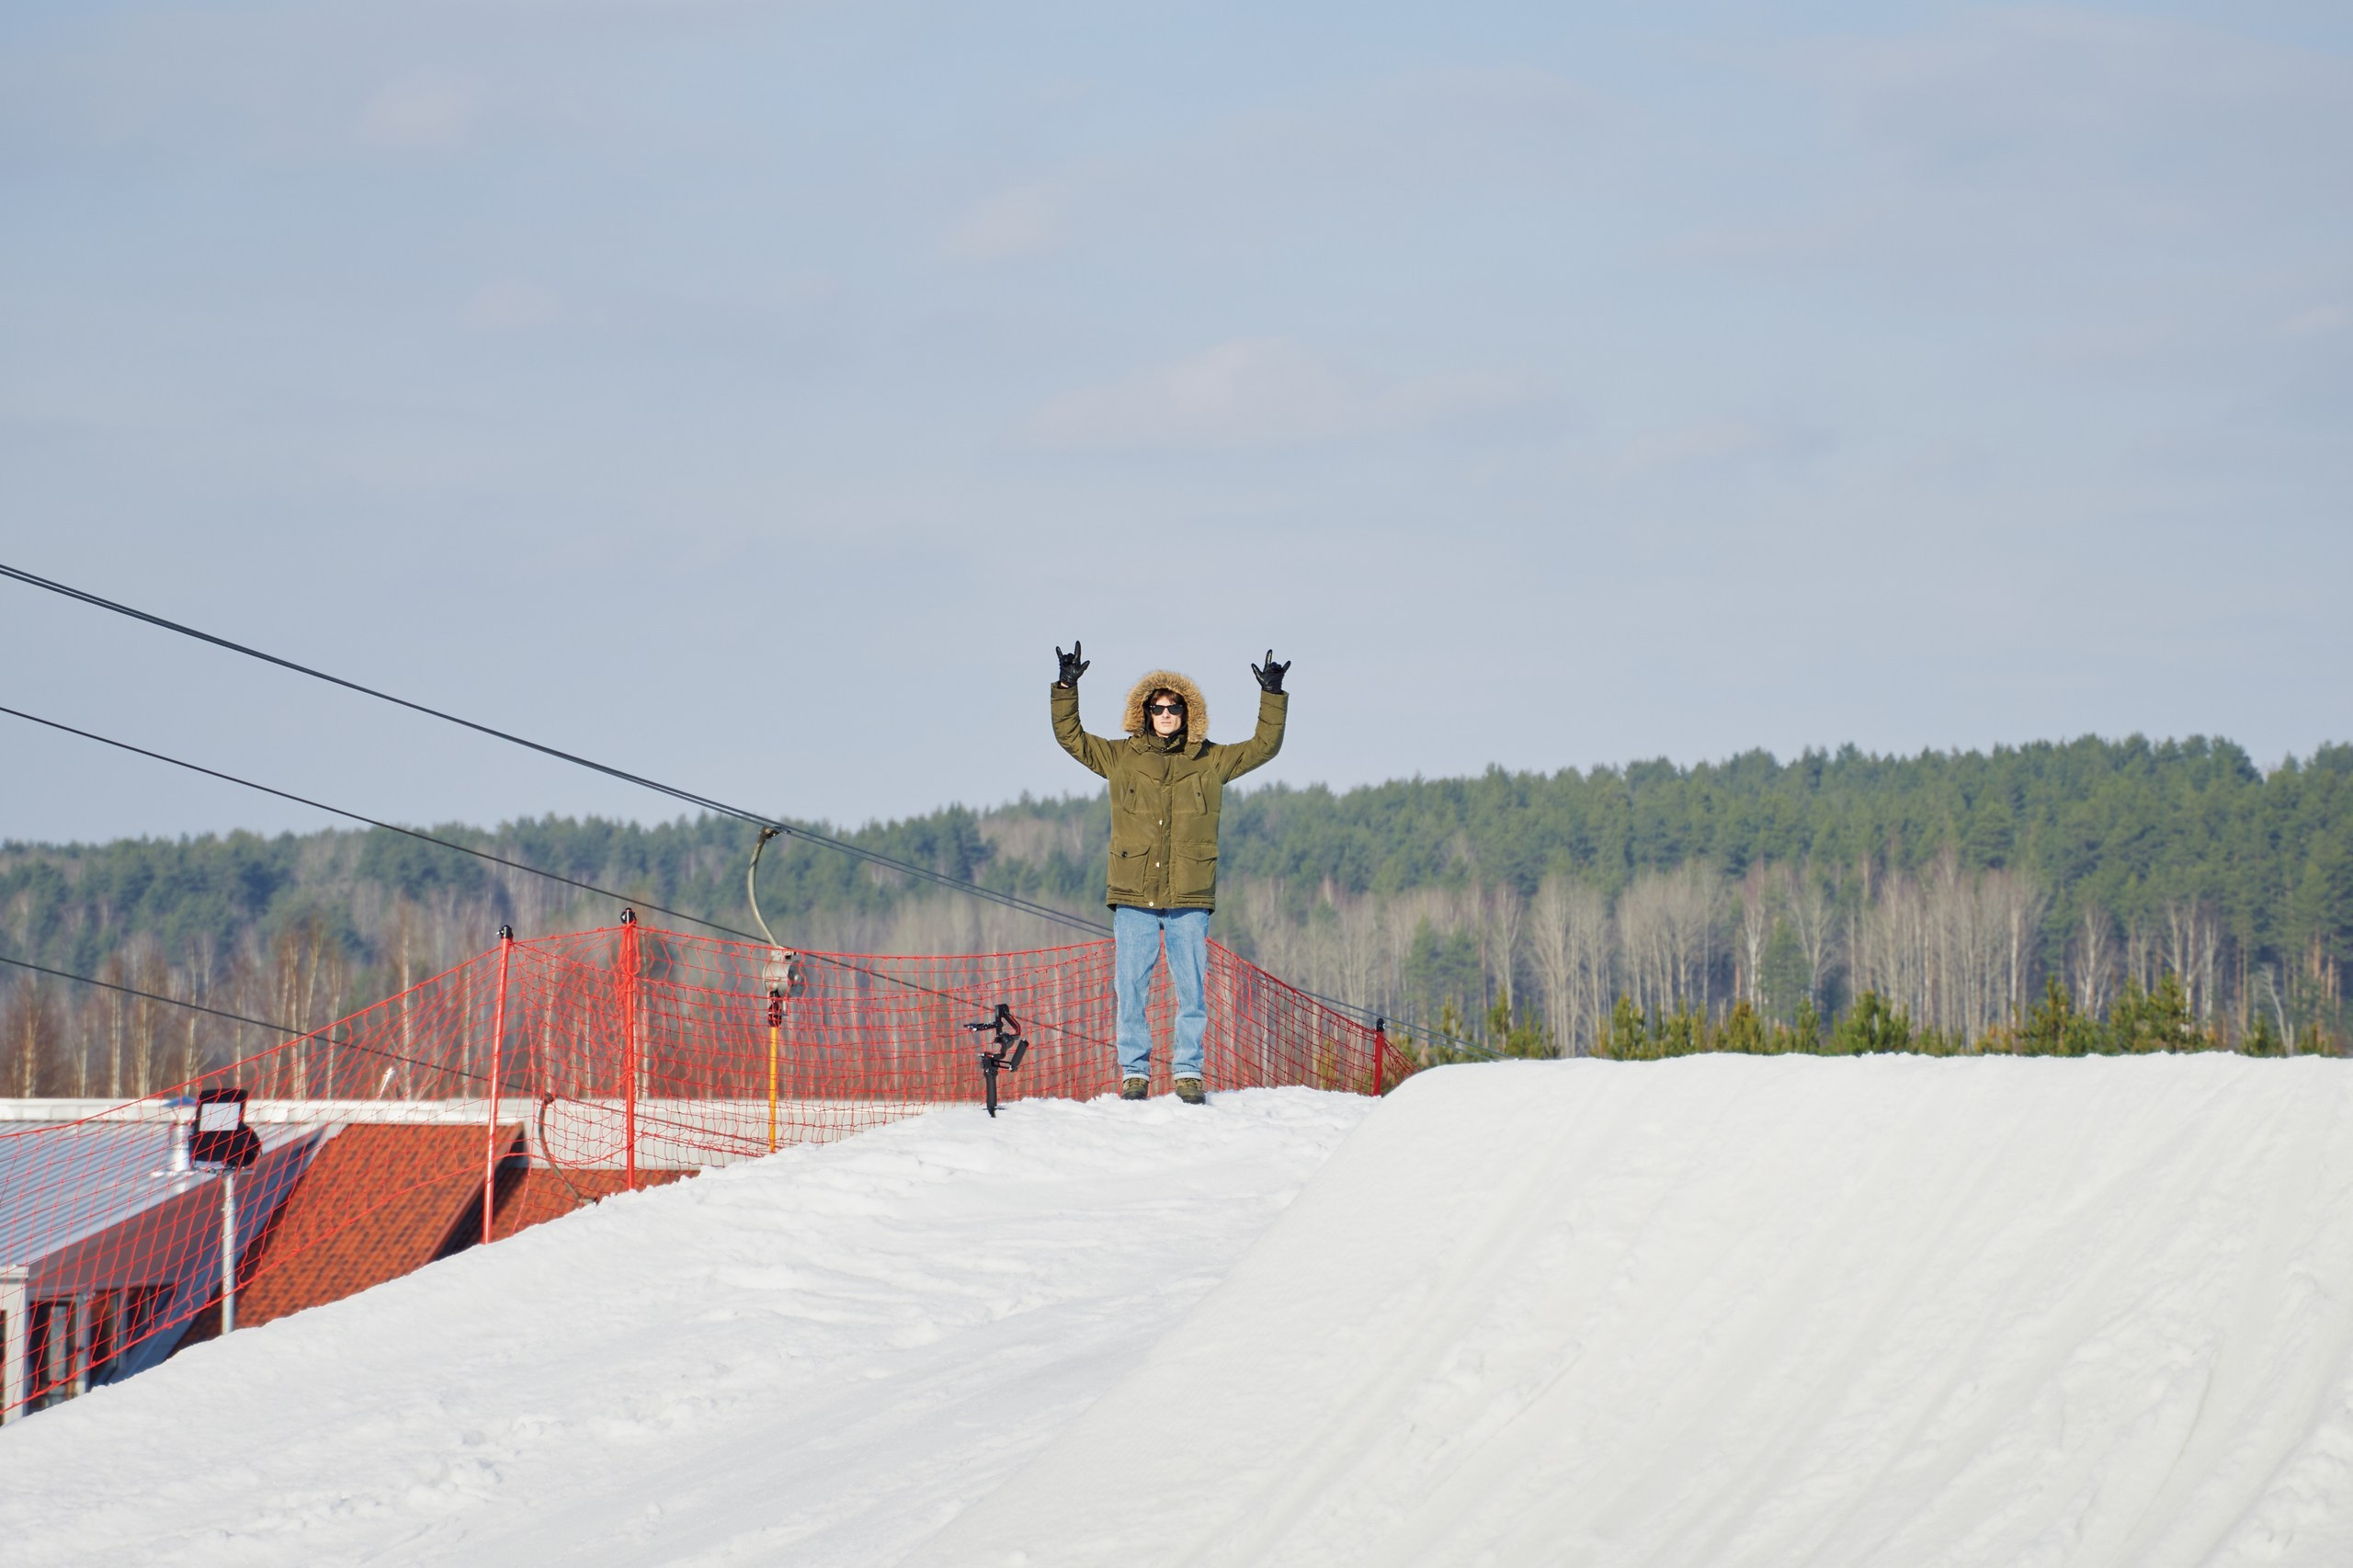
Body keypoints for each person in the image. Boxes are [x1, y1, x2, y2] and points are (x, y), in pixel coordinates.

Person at [1051, 642, 1290, 1104]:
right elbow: (1070, 737)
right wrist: (1066, 687)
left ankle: (1188, 1071)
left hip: (1189, 897)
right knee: (1131, 990)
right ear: (1144, 712)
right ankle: (1133, 1073)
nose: (1164, 713)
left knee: (1191, 991)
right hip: (1133, 895)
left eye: (1173, 707)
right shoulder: (1120, 758)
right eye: (1157, 707)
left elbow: (1265, 747)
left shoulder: (1211, 760)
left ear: (1186, 711)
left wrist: (1272, 697)